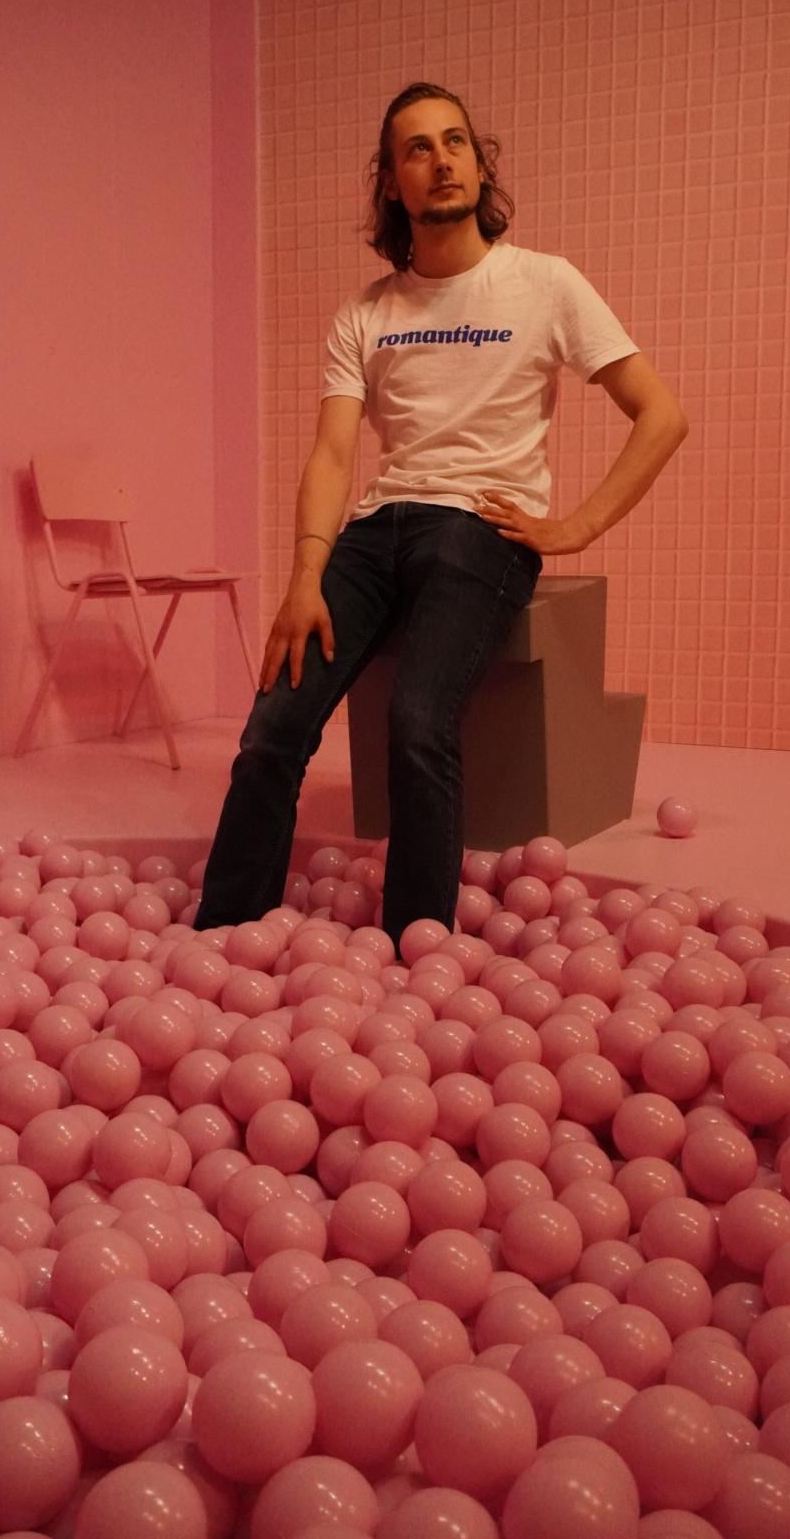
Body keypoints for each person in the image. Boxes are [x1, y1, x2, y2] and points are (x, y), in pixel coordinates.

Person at [194, 81, 688, 949]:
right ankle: (222, 937)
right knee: (274, 722)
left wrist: (576, 524)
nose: (441, 159)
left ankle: (413, 947)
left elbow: (661, 413)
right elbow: (334, 456)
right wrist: (305, 574)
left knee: (418, 719)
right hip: (376, 530)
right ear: (392, 182)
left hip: (477, 530)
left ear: (478, 162)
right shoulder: (367, 312)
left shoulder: (545, 282)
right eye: (416, 148)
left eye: (455, 141)